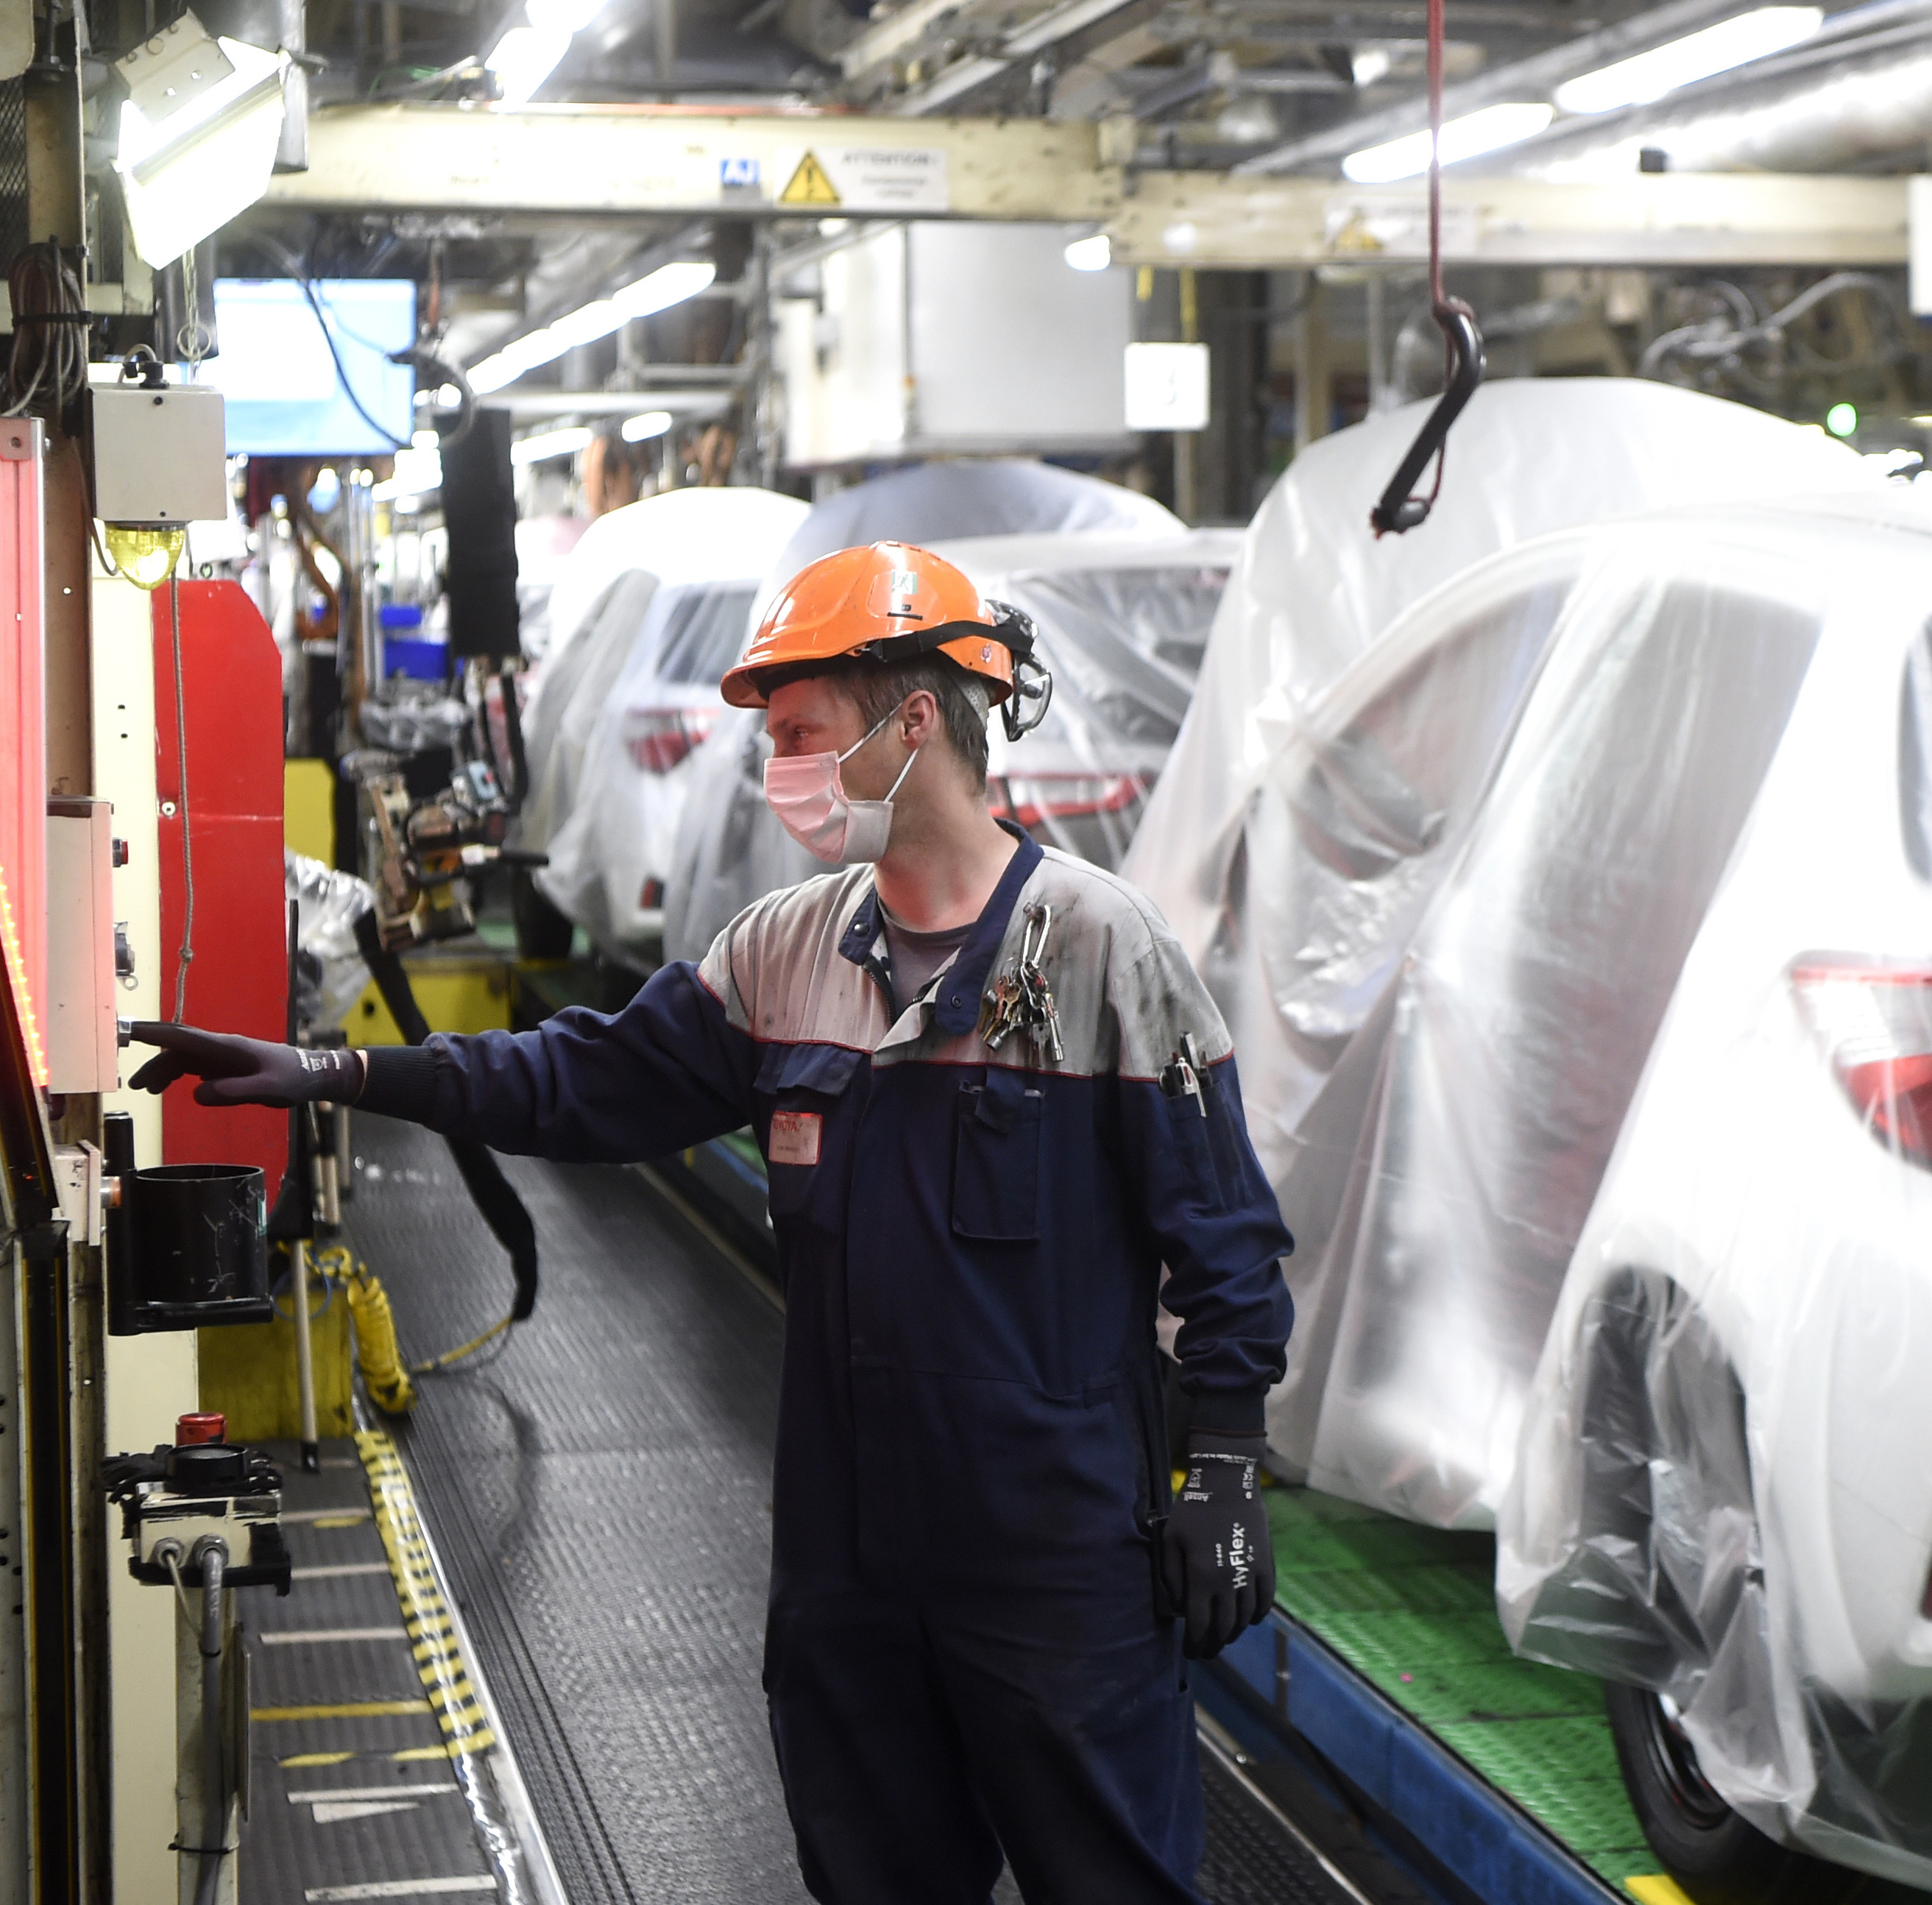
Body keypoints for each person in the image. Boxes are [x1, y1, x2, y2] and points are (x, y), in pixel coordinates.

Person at [132, 543, 1295, 1905]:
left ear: (912, 721)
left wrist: (1225, 1459)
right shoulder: (785, 951)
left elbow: (1222, 1234)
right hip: (848, 1580)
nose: (776, 769)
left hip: (1055, 1576)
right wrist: (344, 1069)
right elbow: (580, 1077)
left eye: (799, 734)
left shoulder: (1103, 952)